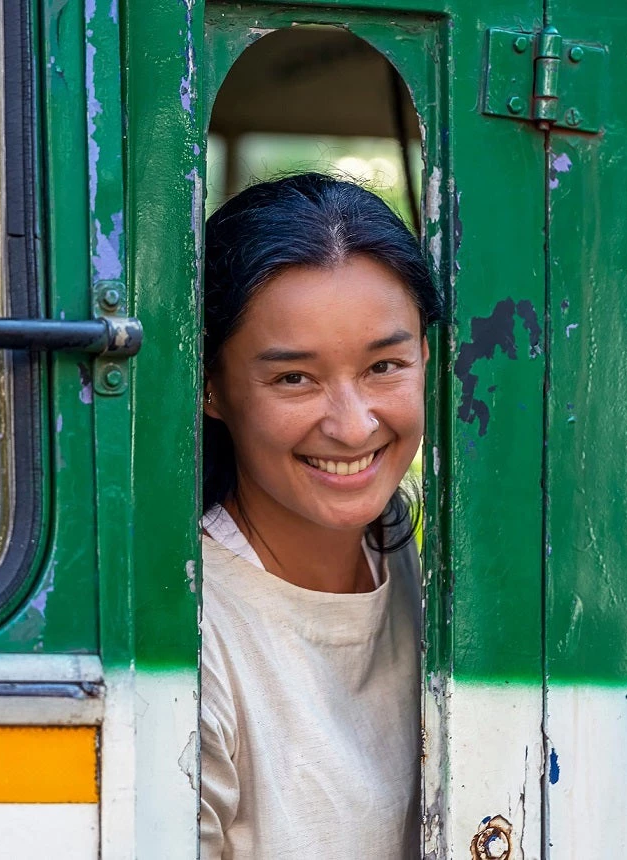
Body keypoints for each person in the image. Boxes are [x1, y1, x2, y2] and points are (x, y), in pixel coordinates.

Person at [199, 172, 443, 859]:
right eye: (294, 378)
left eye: (384, 366)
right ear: (210, 385)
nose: (352, 424)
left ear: (426, 356)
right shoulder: (193, 630)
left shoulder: (404, 556)